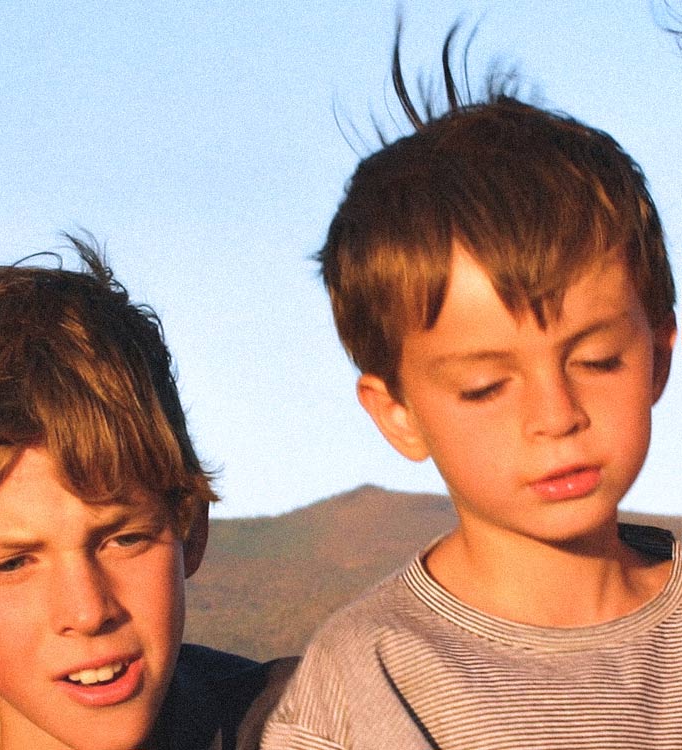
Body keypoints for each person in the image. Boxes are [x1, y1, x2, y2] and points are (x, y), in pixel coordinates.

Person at [261, 25, 680, 750]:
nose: (555, 416)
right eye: (486, 387)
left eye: (597, 360)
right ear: (398, 415)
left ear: (658, 358)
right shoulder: (365, 684)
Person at [0, 236, 297, 750]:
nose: (88, 612)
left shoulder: (327, 725)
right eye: (13, 564)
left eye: (124, 539)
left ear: (189, 527)